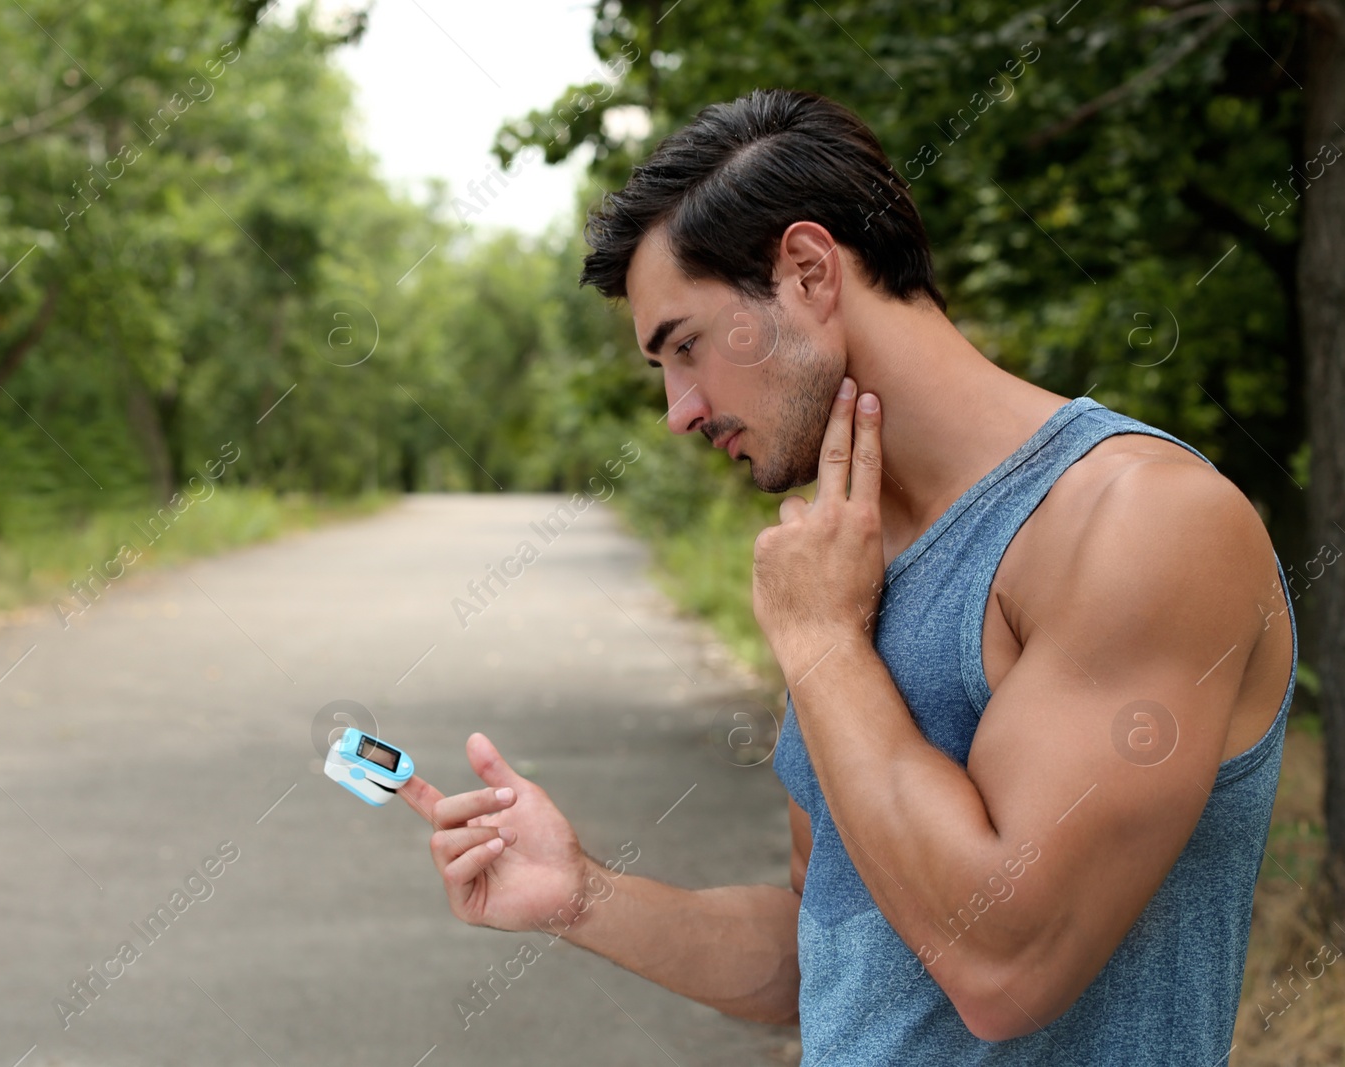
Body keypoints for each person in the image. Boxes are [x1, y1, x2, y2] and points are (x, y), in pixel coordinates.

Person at [398, 88, 1298, 1064]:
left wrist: (822, 641)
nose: (677, 408)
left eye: (686, 345)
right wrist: (579, 892)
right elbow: (828, 947)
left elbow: (1004, 967)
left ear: (808, 271)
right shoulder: (837, 563)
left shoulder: (1141, 522)